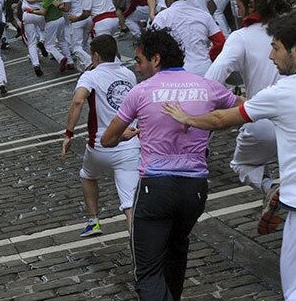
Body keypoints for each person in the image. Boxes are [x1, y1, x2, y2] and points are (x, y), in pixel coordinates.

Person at [166, 12, 296, 299]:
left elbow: (221, 119)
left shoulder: (281, 91)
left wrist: (186, 118)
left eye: (275, 47)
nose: (271, 56)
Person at [100, 28, 238, 300]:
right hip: (195, 189)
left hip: (156, 187)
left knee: (148, 272)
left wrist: (125, 134)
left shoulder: (141, 92)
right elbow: (244, 110)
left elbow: (107, 139)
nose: (137, 68)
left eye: (139, 61)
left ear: (156, 59)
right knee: (176, 252)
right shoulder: (206, 86)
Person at [207, 0, 294, 198]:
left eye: (239, 4)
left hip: (262, 123)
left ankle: (269, 188)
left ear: (252, 5)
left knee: (243, 164)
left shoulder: (241, 37)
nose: (237, 9)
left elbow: (212, 78)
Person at [62, 35, 138, 235]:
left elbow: (78, 101)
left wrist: (69, 133)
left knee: (87, 175)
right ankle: (141, 252)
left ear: (95, 56)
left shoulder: (90, 76)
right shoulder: (129, 74)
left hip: (100, 146)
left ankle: (94, 221)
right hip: (130, 146)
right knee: (129, 203)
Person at [150, 0, 225, 76]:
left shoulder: (162, 17)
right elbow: (220, 41)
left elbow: (151, 43)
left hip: (176, 71)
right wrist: (210, 57)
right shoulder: (203, 14)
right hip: (204, 68)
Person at [34, 0, 71, 73]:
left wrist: (32, 11)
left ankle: (60, 58)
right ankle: (70, 62)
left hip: (52, 22)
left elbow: (43, 12)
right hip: (61, 19)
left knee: (49, 45)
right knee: (62, 41)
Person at [19, 0, 48, 76]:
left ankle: (36, 64)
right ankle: (41, 41)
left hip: (27, 13)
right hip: (39, 11)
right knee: (43, 29)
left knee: (31, 42)